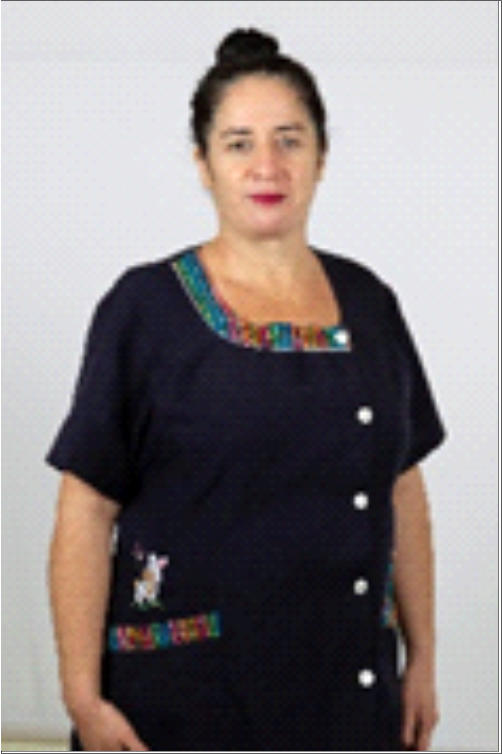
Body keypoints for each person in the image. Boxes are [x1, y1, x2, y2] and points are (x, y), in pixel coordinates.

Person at [45, 27, 446, 752]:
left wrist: (421, 660)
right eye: (238, 143)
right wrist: (82, 697)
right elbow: (86, 507)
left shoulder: (369, 303)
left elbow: (402, 486)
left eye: (290, 140)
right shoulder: (146, 309)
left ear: (321, 157)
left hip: (345, 687)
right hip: (184, 698)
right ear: (203, 164)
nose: (268, 165)